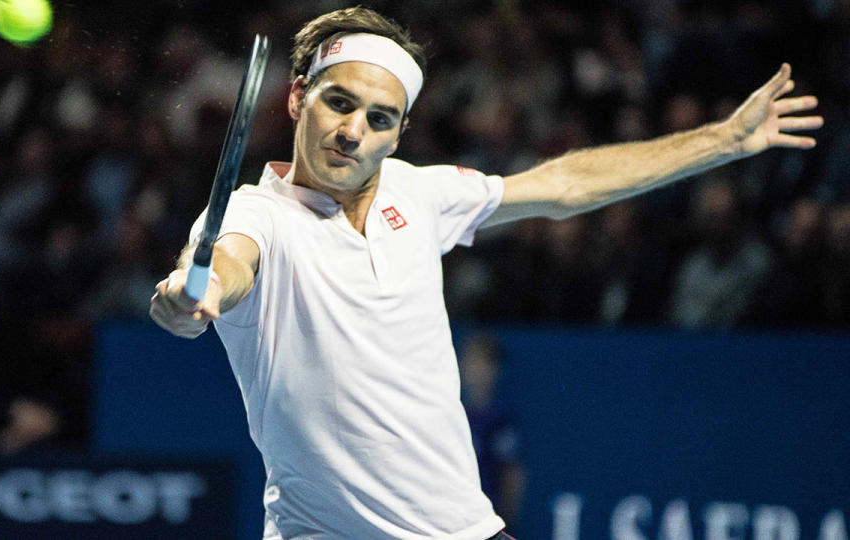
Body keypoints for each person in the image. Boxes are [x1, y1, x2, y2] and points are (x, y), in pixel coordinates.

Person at [149, 7, 822, 539]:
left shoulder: (420, 194)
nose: (354, 131)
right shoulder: (257, 215)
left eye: (379, 118)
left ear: (399, 133)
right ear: (299, 98)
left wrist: (724, 140)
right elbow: (224, 265)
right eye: (339, 103)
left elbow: (562, 185)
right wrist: (191, 294)